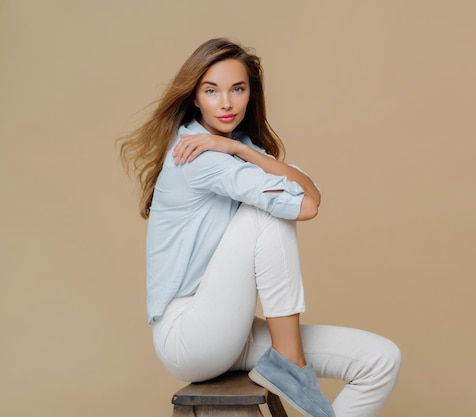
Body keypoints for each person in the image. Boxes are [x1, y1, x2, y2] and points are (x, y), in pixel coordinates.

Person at [118, 38, 401, 417]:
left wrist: (243, 150)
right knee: (264, 213)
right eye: (211, 90)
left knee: (380, 359)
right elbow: (305, 206)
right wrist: (239, 155)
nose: (226, 103)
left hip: (231, 328)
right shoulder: (199, 156)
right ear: (195, 98)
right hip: (189, 335)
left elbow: (309, 193)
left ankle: (288, 361)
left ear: (251, 93)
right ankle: (289, 361)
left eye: (238, 89)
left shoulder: (231, 147)